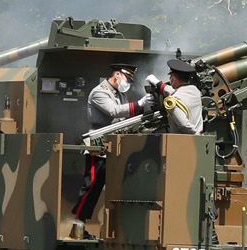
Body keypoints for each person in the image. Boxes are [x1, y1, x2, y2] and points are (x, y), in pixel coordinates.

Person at [74, 63, 154, 227]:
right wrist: (139, 104)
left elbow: (125, 115)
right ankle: (78, 223)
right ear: (117, 75)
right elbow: (114, 111)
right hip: (99, 145)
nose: (128, 83)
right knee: (92, 186)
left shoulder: (119, 94)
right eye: (127, 78)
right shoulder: (100, 92)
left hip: (116, 144)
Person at [162, 58, 203, 135]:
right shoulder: (196, 92)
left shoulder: (172, 101)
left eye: (170, 77)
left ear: (173, 78)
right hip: (198, 139)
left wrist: (196, 134)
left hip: (183, 141)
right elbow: (181, 93)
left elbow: (184, 124)